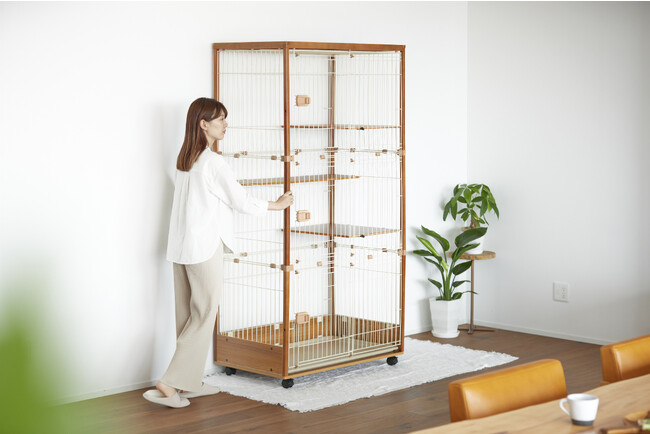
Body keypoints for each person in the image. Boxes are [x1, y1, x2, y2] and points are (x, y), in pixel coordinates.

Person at [143, 97, 293, 408]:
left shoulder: (185, 160)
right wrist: (276, 205)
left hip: (181, 247)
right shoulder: (212, 162)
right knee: (204, 313)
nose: (226, 124)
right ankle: (170, 382)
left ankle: (187, 381)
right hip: (203, 247)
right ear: (203, 124)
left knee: (188, 316)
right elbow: (240, 200)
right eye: (220, 119)